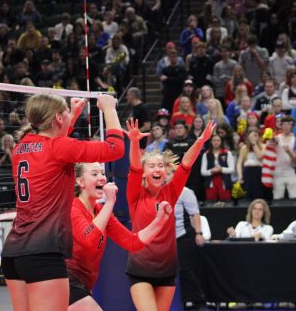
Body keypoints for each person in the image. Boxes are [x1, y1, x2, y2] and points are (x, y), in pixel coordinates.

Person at [1, 94, 124, 311]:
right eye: (66, 111)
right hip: (43, 254)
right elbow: (115, 149)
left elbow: (50, 148)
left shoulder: (21, 147)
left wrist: (73, 114)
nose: (69, 114)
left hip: (13, 254)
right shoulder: (58, 147)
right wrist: (109, 110)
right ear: (58, 117)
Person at [124, 118, 214, 311]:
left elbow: (186, 165)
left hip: (167, 269)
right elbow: (134, 167)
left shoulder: (171, 192)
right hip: (140, 269)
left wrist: (200, 141)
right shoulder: (135, 194)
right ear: (144, 173)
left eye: (160, 166)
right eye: (152, 166)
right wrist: (133, 142)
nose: (157, 169)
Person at [67, 162, 171, 310]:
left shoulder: (100, 210)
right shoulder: (73, 207)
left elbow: (132, 242)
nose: (102, 178)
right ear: (80, 181)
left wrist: (159, 221)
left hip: (84, 284)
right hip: (65, 280)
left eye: (102, 173)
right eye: (94, 174)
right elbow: (89, 240)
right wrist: (110, 202)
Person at [164, 153, 206, 310]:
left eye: (169, 174)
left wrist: (199, 233)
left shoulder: (185, 192)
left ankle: (199, 301)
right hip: (163, 240)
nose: (166, 177)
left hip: (182, 237)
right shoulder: (158, 191)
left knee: (185, 270)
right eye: (165, 173)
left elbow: (194, 213)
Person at [201, 133, 234, 200]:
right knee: (211, 205)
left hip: (224, 182)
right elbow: (202, 172)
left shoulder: (227, 153)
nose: (216, 142)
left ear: (221, 141)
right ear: (211, 141)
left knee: (225, 204)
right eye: (214, 140)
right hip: (211, 183)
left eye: (218, 140)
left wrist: (221, 169)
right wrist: (211, 171)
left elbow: (232, 169)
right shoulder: (206, 154)